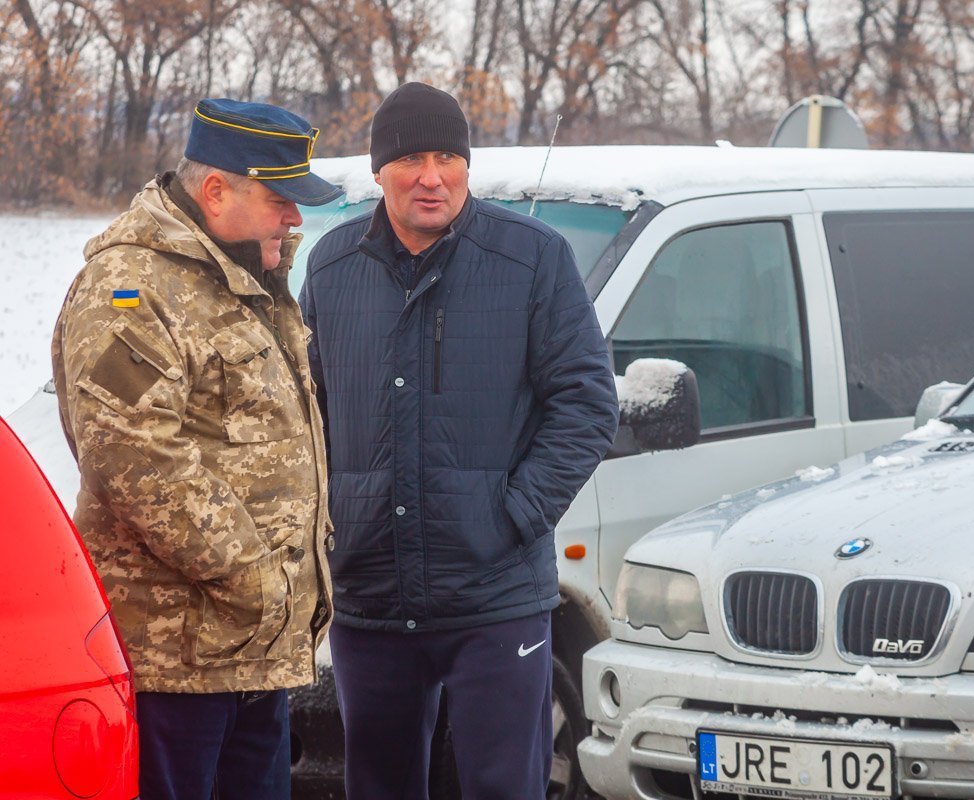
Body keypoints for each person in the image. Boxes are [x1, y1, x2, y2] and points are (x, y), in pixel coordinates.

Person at [299, 82, 620, 799]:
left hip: (494, 595)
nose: (432, 176)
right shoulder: (330, 268)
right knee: (377, 787)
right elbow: (305, 417)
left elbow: (588, 403)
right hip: (370, 594)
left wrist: (511, 516)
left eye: (449, 156)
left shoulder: (532, 258)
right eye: (412, 158)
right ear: (379, 170)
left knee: (503, 787)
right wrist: (330, 528)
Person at [52, 98, 342, 800]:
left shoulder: (247, 276)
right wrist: (260, 581)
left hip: (250, 653)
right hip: (176, 659)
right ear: (216, 191)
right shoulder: (129, 288)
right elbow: (134, 458)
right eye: (281, 200)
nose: (296, 218)